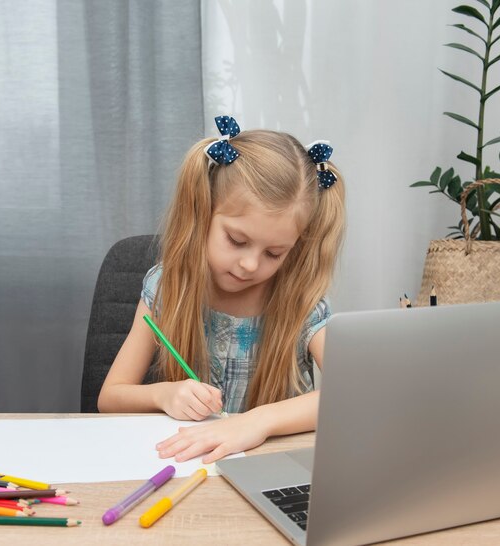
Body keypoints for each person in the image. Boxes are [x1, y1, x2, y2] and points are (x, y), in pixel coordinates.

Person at [98, 116, 345, 464]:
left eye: (274, 253)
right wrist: (165, 395)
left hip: (273, 468)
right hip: (189, 466)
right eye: (236, 240)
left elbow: (353, 394)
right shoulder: (169, 287)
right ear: (202, 213)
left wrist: (259, 420)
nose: (249, 264)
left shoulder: (302, 302)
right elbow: (110, 397)